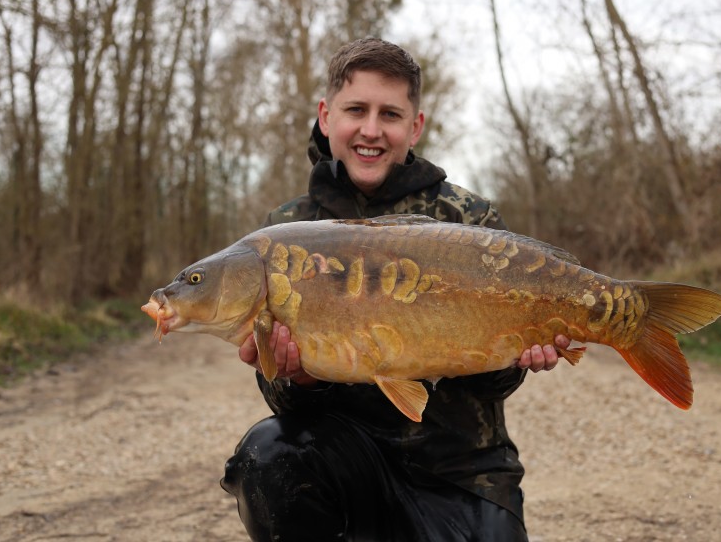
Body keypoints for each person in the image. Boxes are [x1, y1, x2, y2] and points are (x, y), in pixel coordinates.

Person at [221, 37, 570, 541]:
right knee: (268, 456)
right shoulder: (286, 230)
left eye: (389, 114)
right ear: (325, 116)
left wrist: (519, 356)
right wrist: (299, 377)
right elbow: (287, 409)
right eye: (355, 110)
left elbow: (494, 387)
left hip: (464, 469)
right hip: (349, 462)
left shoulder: (469, 220)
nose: (370, 129)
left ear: (415, 126)